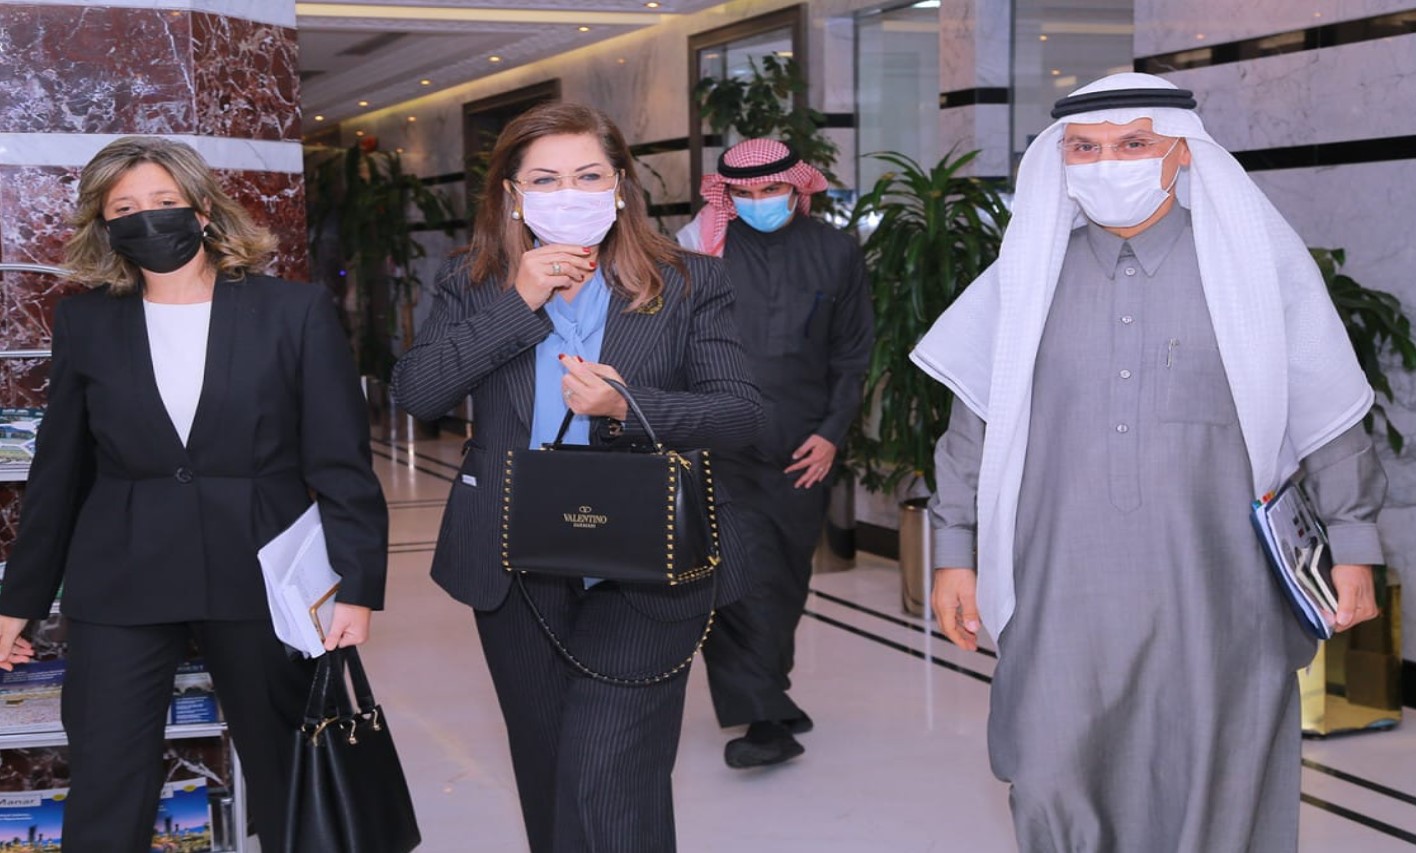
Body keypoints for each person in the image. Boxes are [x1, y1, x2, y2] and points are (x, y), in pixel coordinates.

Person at [911, 72, 1385, 851]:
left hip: (1218, 593)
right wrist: (954, 553)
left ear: (1182, 153)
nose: (1107, 164)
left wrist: (1356, 548)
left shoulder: (1250, 271)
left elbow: (1326, 414)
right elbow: (974, 430)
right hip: (1060, 592)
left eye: (1132, 143)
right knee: (1050, 774)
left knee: (1212, 781)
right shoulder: (1026, 279)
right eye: (1084, 149)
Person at [390, 102, 763, 852]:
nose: (570, 193)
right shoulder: (472, 283)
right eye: (546, 179)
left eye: (589, 175)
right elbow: (418, 393)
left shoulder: (688, 281)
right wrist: (517, 302)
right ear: (512, 194)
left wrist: (629, 406)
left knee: (607, 768)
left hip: (648, 561)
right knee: (548, 768)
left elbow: (740, 413)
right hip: (515, 558)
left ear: (620, 185)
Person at [0, 136, 388, 851]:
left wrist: (356, 587)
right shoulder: (86, 320)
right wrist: (15, 604)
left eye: (163, 201)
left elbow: (341, 463)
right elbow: (60, 471)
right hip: (121, 573)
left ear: (203, 209)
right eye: (124, 209)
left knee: (288, 768)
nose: (146, 218)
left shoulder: (292, 310)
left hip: (261, 567)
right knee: (107, 773)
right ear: (104, 225)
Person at [677, 139, 873, 768]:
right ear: (726, 195)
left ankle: (771, 693)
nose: (758, 202)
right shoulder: (698, 252)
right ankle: (763, 721)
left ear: (796, 187)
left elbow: (852, 353)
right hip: (719, 439)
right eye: (744, 193)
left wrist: (832, 432)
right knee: (732, 576)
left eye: (771, 190)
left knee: (784, 577)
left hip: (802, 444)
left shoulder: (836, 251)